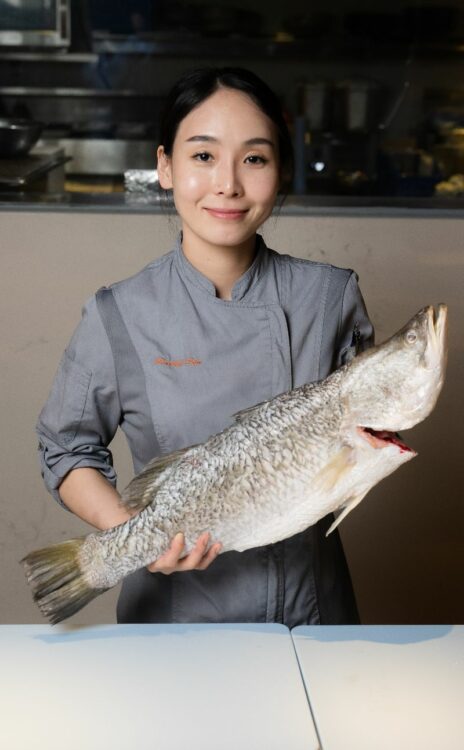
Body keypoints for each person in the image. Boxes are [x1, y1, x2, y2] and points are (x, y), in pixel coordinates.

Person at [36, 67, 374, 626]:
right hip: (174, 619)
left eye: (255, 158)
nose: (228, 184)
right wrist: (130, 536)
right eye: (203, 156)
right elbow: (65, 447)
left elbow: (362, 437)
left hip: (310, 618)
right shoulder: (119, 312)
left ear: (281, 169)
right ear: (165, 167)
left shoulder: (329, 296)